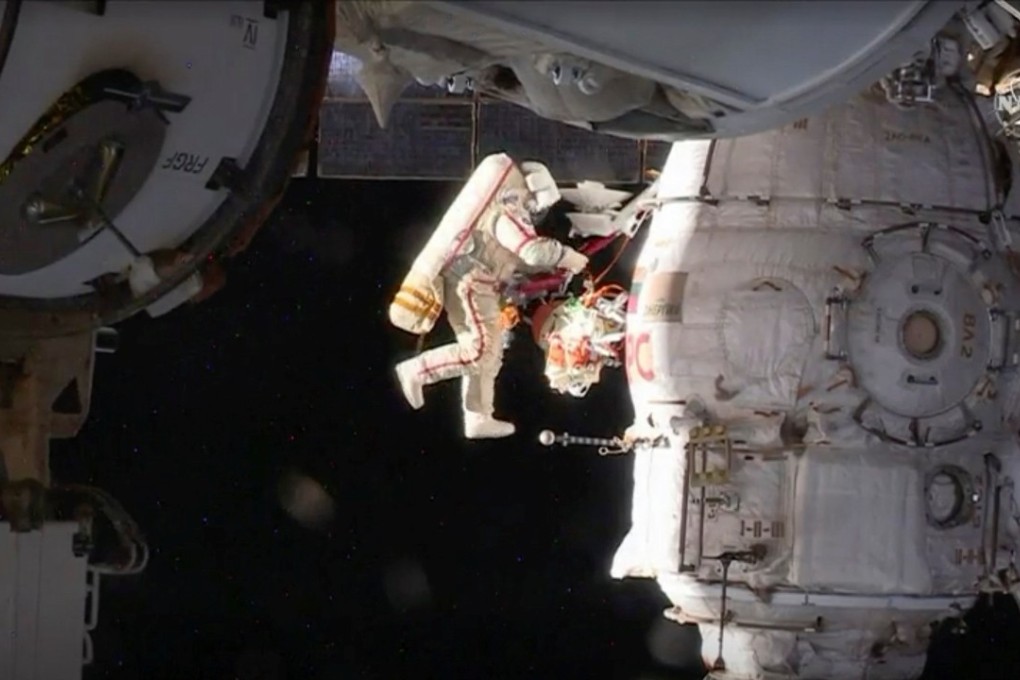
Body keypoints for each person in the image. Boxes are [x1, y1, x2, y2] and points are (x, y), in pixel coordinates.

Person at [389, 153, 588, 439]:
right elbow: (530, 250)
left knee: (488, 353)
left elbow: (522, 261)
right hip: (471, 283)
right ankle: (418, 370)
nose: (534, 215)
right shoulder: (502, 216)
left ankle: (478, 416)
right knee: (480, 351)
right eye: (536, 208)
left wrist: (556, 266)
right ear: (527, 196)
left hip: (476, 284)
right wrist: (568, 256)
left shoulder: (503, 219)